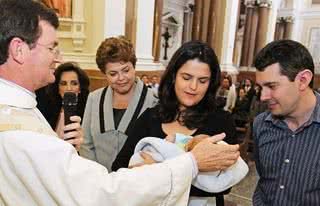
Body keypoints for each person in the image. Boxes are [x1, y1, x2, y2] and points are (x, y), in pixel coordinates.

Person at [0, 1, 241, 206]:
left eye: (202, 80)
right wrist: (191, 163)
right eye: (52, 47)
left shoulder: (18, 112)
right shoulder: (18, 129)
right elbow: (102, 191)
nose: (58, 56)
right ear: (19, 50)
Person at [113, 40, 241, 206]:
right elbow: (118, 167)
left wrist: (157, 173)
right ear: (173, 76)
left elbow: (225, 184)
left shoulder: (221, 121)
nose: (193, 87)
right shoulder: (151, 117)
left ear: (210, 84)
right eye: (186, 77)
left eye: (202, 81)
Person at [253, 39, 320, 205]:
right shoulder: (261, 124)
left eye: (272, 86)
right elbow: (265, 180)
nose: (263, 96)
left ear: (303, 80)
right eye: (261, 87)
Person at [79, 36, 158, 171]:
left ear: (134, 67)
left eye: (126, 70)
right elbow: (86, 144)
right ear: (105, 74)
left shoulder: (154, 101)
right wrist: (99, 177)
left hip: (138, 182)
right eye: (113, 73)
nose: (121, 78)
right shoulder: (94, 99)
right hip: (99, 182)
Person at [36, 62, 90, 139]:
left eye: (74, 83)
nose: (69, 88)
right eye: (63, 84)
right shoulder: (46, 108)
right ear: (58, 88)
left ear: (80, 88)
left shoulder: (88, 110)